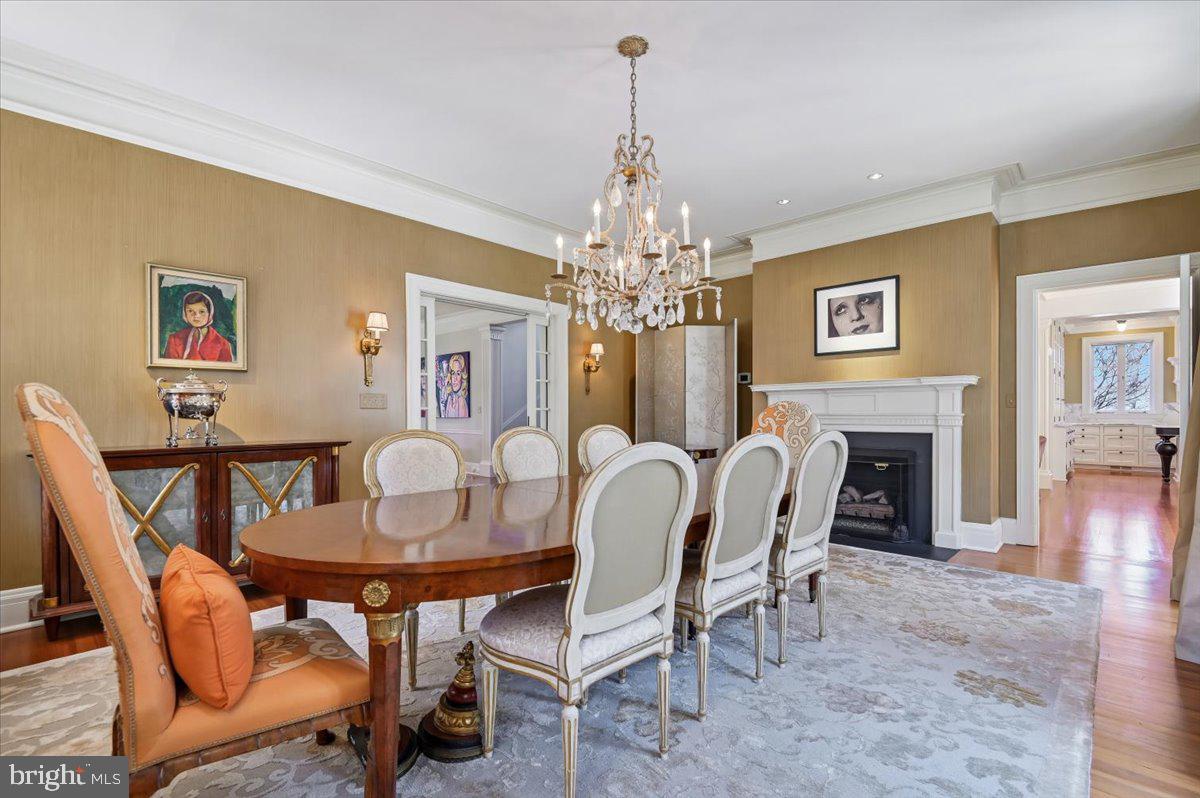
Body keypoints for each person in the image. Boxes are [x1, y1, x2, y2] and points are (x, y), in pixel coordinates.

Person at [164, 290, 234, 362]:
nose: (196, 316)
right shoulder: (174, 339)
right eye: (190, 311)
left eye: (202, 312)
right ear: (184, 312)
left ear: (210, 313)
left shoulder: (223, 344)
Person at [438, 353, 470, 417]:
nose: (454, 378)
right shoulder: (450, 398)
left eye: (458, 373)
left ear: (462, 376)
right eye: (453, 373)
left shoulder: (461, 401)